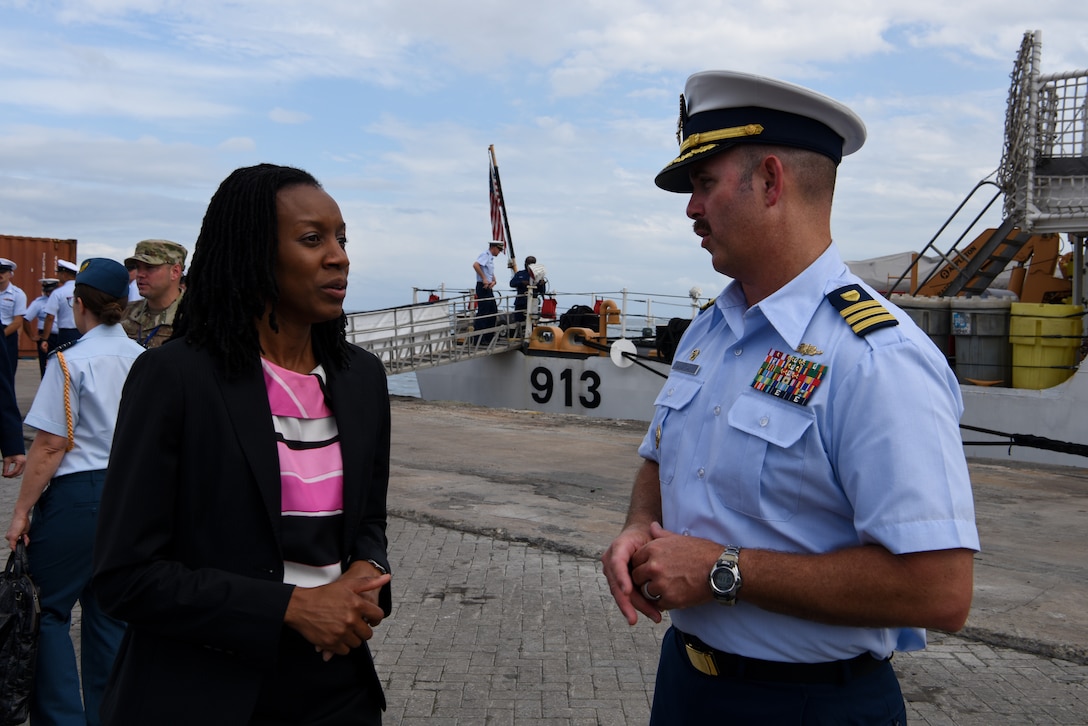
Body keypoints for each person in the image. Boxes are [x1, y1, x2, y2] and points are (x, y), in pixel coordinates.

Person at [600, 70, 979, 725]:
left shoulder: (876, 357)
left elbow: (939, 590)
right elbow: (660, 461)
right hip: (688, 684)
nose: (691, 209)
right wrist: (639, 527)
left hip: (810, 704)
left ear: (771, 181)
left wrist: (723, 570)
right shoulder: (708, 332)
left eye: (704, 183)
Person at [93, 163, 393, 725]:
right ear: (253, 252)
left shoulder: (362, 380)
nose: (339, 256)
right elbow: (124, 577)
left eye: (341, 238)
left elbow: (369, 521)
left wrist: (366, 570)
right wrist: (292, 608)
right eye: (312, 239)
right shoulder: (176, 378)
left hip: (337, 692)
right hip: (203, 694)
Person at [4, 258, 144, 726]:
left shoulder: (69, 361)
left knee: (47, 612)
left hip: (77, 496)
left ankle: (63, 719)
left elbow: (49, 446)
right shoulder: (145, 361)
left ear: (78, 303)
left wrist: (21, 510)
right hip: (129, 498)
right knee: (110, 616)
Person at [120, 238, 188, 349]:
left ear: (175, 272)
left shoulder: (194, 317)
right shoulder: (125, 313)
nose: (140, 274)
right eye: (138, 267)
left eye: (149, 267)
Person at [40, 259, 80, 354]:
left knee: (65, 362)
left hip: (66, 334)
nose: (58, 276)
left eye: (59, 273)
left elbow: (50, 317)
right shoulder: (84, 290)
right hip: (82, 332)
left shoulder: (58, 292)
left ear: (64, 274)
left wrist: (45, 339)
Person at [24, 277, 60, 377]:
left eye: (51, 291)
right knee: (45, 365)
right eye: (47, 291)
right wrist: (31, 336)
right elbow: (26, 318)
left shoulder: (63, 299)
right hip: (46, 338)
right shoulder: (39, 302)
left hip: (62, 334)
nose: (49, 294)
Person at [472, 240, 506, 345]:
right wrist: (484, 279)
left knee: (492, 311)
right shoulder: (485, 255)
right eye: (499, 250)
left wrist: (493, 280)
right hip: (483, 287)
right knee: (484, 313)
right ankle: (479, 339)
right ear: (494, 247)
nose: (499, 252)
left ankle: (488, 337)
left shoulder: (490, 258)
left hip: (488, 287)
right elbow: (476, 265)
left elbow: (489, 271)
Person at [0, 257, 27, 382]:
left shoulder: (18, 294)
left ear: (10, 274)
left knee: (7, 374)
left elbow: (17, 322)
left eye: (3, 271)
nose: (0, 274)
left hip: (7, 335)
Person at [509, 255, 547, 326]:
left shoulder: (538, 276)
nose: (528, 265)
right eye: (527, 263)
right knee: (518, 323)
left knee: (531, 323)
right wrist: (521, 282)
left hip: (532, 303)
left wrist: (541, 284)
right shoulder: (520, 274)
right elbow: (512, 283)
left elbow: (542, 291)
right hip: (520, 303)